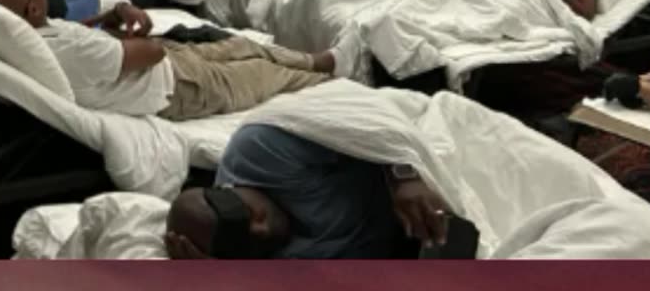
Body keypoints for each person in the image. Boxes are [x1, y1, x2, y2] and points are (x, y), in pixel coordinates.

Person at [0, 0, 334, 121]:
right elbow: (150, 53)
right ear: (32, 9)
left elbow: (78, 35)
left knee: (240, 44)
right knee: (262, 73)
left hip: (166, 62)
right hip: (178, 86)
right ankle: (333, 83)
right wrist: (135, 29)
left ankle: (315, 61)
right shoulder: (64, 54)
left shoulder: (32, 35)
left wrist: (113, 14)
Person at [164, 123, 448, 259]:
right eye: (242, 240)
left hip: (417, 186)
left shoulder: (260, 151)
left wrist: (404, 175)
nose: (261, 229)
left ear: (226, 187)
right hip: (412, 253)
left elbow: (372, 119)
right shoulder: (257, 260)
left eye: (248, 213)